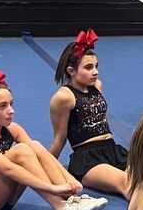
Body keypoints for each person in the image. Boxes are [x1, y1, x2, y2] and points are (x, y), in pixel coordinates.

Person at [0, 67, 107, 210]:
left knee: (33, 145)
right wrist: (51, 188)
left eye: (11, 104)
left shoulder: (12, 129)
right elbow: (8, 169)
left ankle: (71, 200)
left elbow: (41, 153)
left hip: (3, 201)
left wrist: (69, 180)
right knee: (21, 151)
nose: (11, 111)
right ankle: (60, 207)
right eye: (2, 106)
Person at [47, 29, 130, 199]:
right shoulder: (64, 97)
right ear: (71, 71)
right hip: (88, 160)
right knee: (127, 182)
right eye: (89, 67)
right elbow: (60, 138)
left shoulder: (97, 86)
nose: (95, 72)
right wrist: (43, 166)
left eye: (96, 66)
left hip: (113, 150)